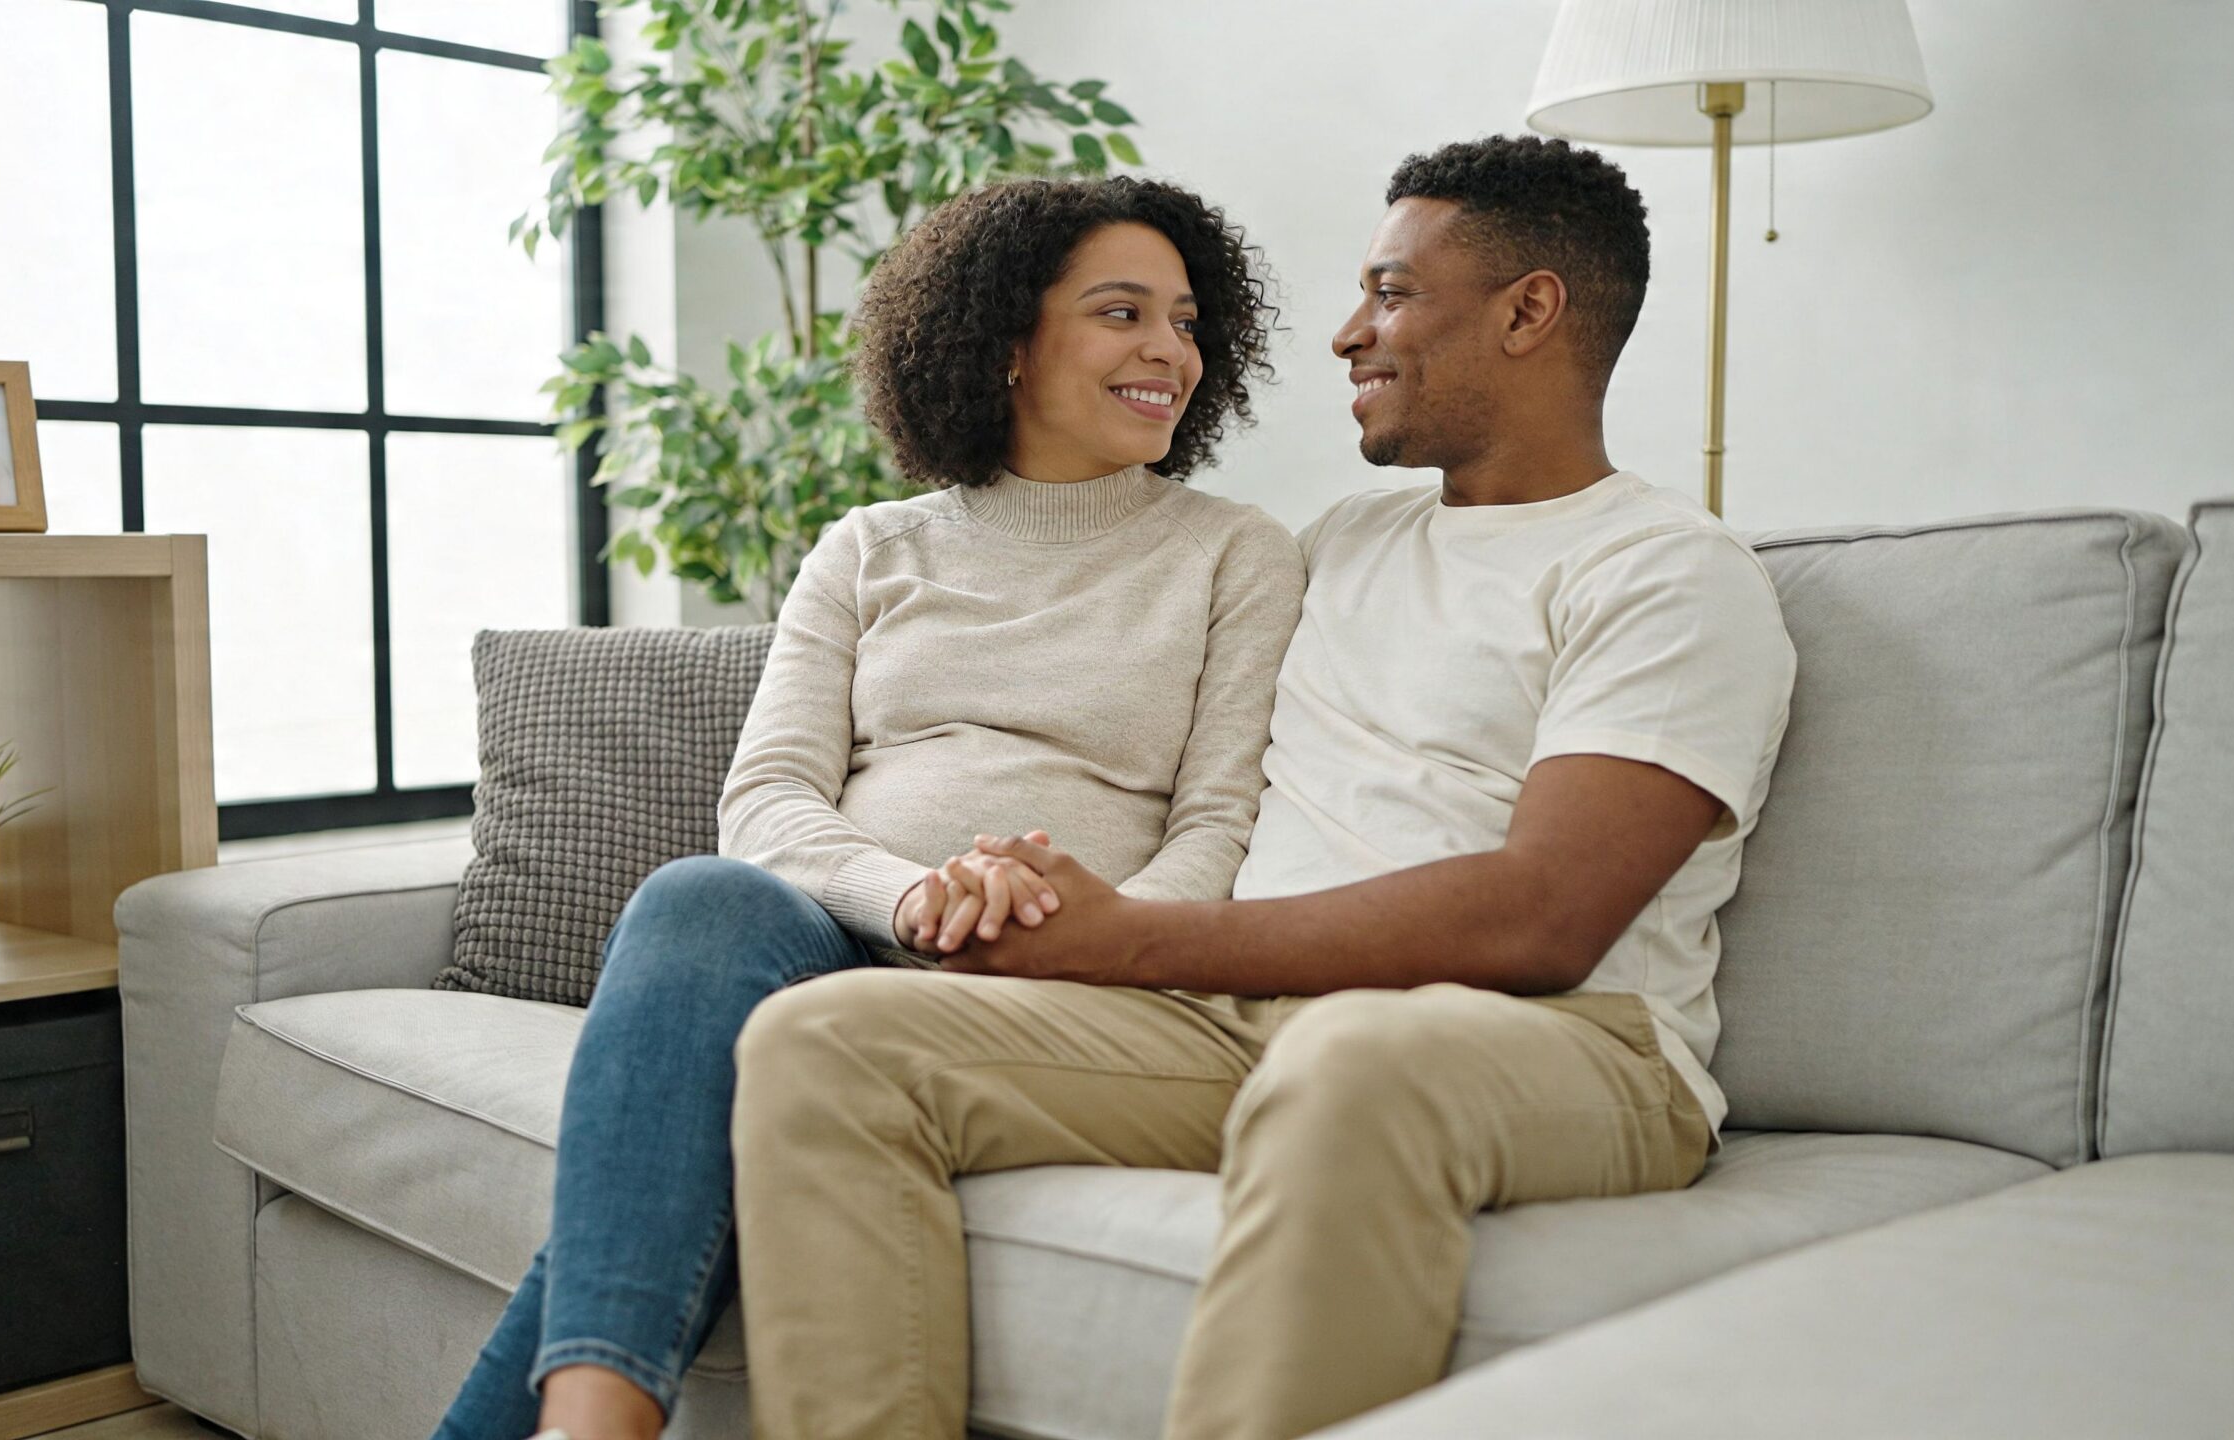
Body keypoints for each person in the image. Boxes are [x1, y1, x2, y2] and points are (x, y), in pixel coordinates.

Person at [725, 134, 1800, 1440]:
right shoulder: (1340, 545)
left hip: (1578, 1049)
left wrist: (1132, 939)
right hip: (1243, 1028)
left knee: (1353, 1055)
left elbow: (1543, 917)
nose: (1348, 334)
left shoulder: (1666, 572)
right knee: (823, 1042)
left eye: (1393, 292)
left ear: (1530, 311)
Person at [430, 175, 1305, 1440]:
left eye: (1184, 320)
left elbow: (1223, 826)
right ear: (1005, 342)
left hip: (1067, 971)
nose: (1167, 349)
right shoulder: (868, 546)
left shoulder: (1235, 552)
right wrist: (914, 894)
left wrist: (1092, 931)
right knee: (700, 895)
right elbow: (768, 800)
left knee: (689, 1124)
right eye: (1122, 313)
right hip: (835, 931)